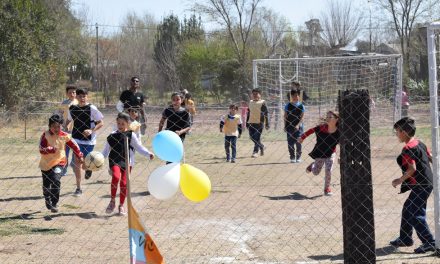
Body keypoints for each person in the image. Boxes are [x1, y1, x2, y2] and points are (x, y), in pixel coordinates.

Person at [389, 117, 436, 254]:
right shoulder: (419, 143)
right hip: (425, 183)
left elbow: (412, 169)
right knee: (407, 208)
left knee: (415, 213)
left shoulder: (407, 148)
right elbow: (431, 157)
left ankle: (429, 242)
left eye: (397, 131)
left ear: (404, 132)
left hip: (421, 185)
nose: (396, 134)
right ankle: (405, 238)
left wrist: (399, 180)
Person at [102, 113, 154, 216]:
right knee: (116, 177)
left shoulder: (131, 135)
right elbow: (105, 152)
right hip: (114, 160)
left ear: (127, 124)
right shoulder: (112, 136)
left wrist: (148, 154)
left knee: (124, 184)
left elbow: (139, 147)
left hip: (127, 162)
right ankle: (112, 201)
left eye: (122, 124)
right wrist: (96, 161)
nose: (120, 126)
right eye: (118, 123)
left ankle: (121, 205)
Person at [39, 114, 83, 212]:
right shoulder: (45, 135)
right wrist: (49, 149)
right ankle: (47, 198)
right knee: (46, 186)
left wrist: (79, 155)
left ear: (61, 126)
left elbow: (74, 146)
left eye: (58, 126)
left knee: (56, 180)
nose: (56, 128)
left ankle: (54, 203)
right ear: (50, 126)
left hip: (60, 162)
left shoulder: (65, 136)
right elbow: (41, 149)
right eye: (54, 126)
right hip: (45, 164)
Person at [67, 88, 104, 196]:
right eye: (80, 96)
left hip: (89, 141)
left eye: (84, 96)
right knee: (77, 163)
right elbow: (68, 120)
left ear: (87, 97)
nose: (82, 98)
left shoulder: (92, 108)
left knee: (84, 164)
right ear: (76, 97)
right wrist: (65, 127)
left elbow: (101, 122)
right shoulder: (72, 108)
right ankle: (79, 188)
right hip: (76, 139)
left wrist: (91, 130)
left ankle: (88, 168)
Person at [298, 111, 340, 196]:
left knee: (328, 170)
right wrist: (302, 137)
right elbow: (311, 130)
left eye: (330, 117)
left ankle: (327, 189)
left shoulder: (339, 131)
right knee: (316, 172)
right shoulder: (321, 128)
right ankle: (312, 166)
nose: (327, 118)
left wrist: (340, 156)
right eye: (327, 117)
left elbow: (342, 144)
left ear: (336, 119)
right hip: (320, 153)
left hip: (331, 153)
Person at [57, 85, 78, 176]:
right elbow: (60, 114)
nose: (72, 94)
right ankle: (64, 169)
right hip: (66, 130)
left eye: (74, 92)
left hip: (77, 130)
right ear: (67, 93)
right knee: (65, 150)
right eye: (70, 92)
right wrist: (61, 124)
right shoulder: (64, 103)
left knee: (76, 148)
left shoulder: (79, 102)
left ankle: (74, 165)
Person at [247, 88, 270, 158]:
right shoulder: (250, 102)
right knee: (252, 137)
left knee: (257, 137)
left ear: (260, 94)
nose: (255, 95)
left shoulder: (263, 102)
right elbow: (249, 113)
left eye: (256, 94)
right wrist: (246, 123)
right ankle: (262, 146)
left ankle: (255, 152)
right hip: (251, 123)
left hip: (259, 123)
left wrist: (267, 124)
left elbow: (266, 114)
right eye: (253, 94)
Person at [284, 89, 305, 163]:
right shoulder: (287, 105)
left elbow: (302, 117)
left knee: (298, 142)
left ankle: (298, 157)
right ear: (291, 96)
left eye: (296, 95)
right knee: (290, 143)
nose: (295, 97)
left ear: (299, 96)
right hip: (289, 127)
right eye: (293, 95)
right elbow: (285, 116)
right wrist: (285, 126)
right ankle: (292, 157)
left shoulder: (301, 106)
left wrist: (298, 125)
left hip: (299, 128)